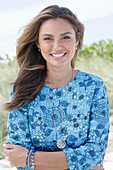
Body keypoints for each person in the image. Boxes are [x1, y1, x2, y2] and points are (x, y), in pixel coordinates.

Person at [3, 5, 109, 170]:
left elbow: (95, 154)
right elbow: (17, 160)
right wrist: (80, 160)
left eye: (65, 37)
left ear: (77, 40)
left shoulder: (94, 86)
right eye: (48, 38)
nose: (57, 46)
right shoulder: (22, 89)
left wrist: (30, 157)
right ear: (38, 43)